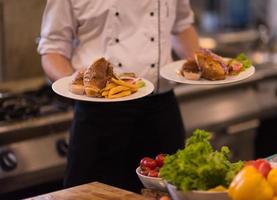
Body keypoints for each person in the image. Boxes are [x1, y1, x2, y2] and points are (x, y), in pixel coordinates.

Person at [38, 0, 200, 193]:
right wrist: (72, 80)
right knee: (90, 196)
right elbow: (52, 49)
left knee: (167, 194)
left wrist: (202, 62)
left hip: (161, 113)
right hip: (99, 115)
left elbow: (182, 26)